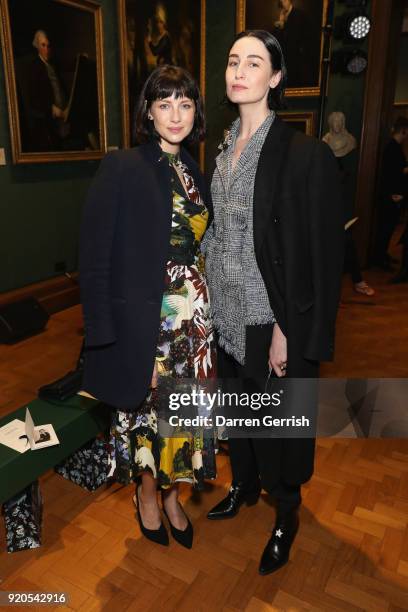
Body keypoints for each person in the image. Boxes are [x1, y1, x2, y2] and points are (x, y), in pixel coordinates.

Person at [202, 30, 344, 575]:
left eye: (253, 62)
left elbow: (321, 253)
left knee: (280, 426)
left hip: (271, 319)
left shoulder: (303, 154)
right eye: (233, 60)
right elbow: (221, 233)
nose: (239, 70)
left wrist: (291, 325)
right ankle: (242, 483)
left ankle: (286, 513)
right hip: (226, 316)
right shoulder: (221, 148)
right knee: (239, 417)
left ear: (276, 78)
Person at [79, 65, 216, 549]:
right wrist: (104, 333)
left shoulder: (196, 169)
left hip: (194, 320)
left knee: (184, 415)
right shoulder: (123, 166)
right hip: (148, 323)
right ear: (148, 111)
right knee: (148, 415)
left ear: (196, 110)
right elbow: (94, 258)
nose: (175, 115)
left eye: (185, 103)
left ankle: (175, 494)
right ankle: (147, 494)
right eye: (164, 104)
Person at [373, 116, 408, 270]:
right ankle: (379, 259)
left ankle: (383, 254)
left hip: (392, 195)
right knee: (385, 229)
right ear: (404, 131)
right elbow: (392, 174)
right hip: (390, 196)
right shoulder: (392, 148)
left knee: (388, 228)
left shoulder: (395, 147)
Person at [28, 30, 68, 151]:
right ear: (37, 47)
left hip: (63, 113)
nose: (47, 49)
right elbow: (34, 98)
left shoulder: (53, 64)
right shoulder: (35, 67)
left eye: (48, 45)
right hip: (49, 118)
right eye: (43, 45)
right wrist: (51, 108)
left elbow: (60, 87)